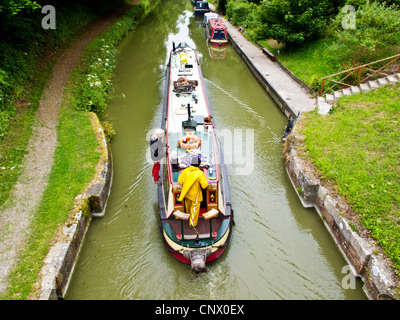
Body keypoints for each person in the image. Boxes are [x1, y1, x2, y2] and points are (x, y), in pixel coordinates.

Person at [178, 155, 208, 228]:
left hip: (187, 194)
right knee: (194, 210)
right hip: (195, 196)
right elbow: (204, 185)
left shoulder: (185, 171)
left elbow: (180, 181)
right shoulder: (200, 173)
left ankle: (188, 219)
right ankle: (192, 224)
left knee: (188, 208)